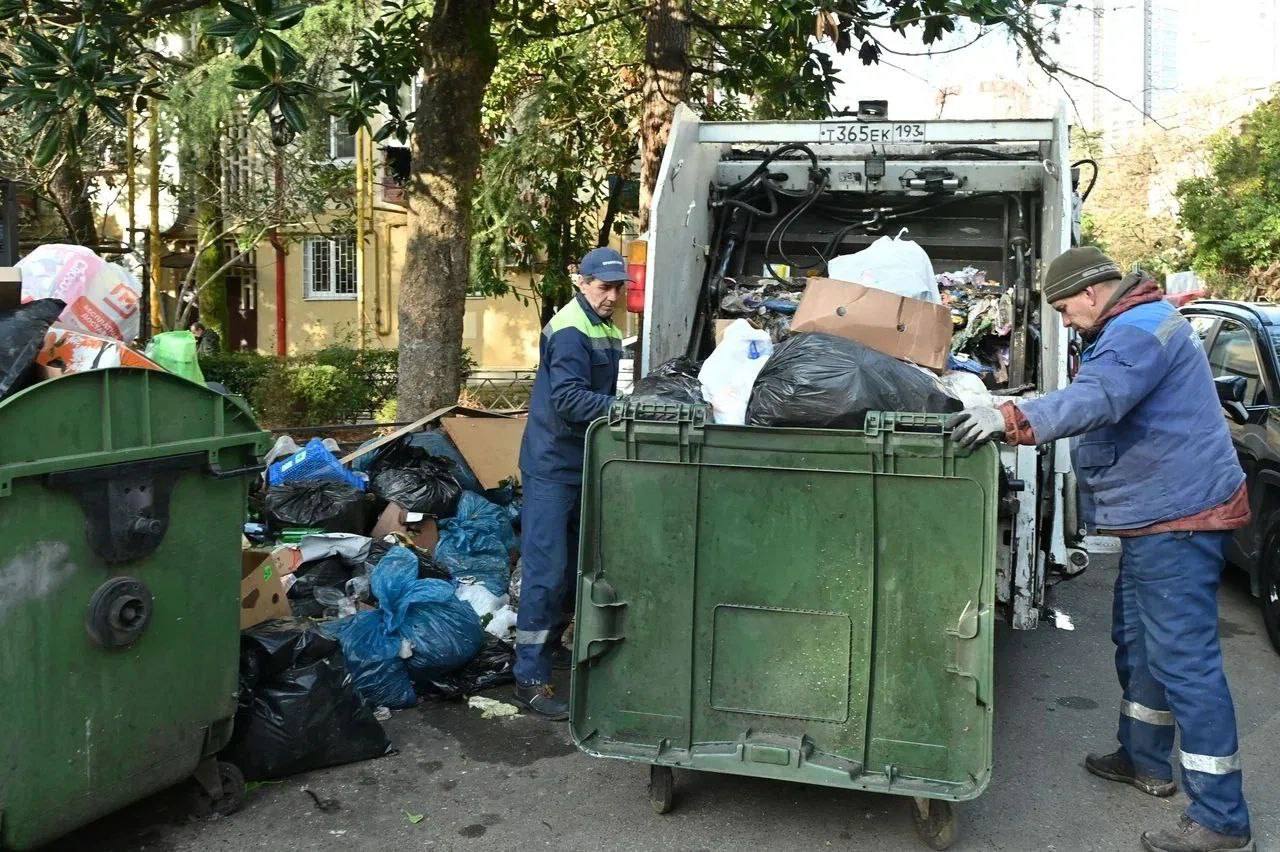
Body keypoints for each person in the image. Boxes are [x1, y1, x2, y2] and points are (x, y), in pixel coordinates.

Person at [950, 246, 1254, 852]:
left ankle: (1221, 817)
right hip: (1157, 518)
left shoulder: (1135, 333)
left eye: (1065, 308)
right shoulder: (1138, 321)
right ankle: (1144, 759)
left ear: (1091, 292)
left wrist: (1007, 417)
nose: (1064, 319)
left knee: (1184, 663)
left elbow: (1096, 399)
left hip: (1179, 520)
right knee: (1139, 644)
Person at [512, 247, 627, 719]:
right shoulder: (569, 330)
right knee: (546, 569)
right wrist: (624, 408)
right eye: (604, 287)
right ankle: (530, 679)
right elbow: (570, 401)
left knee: (577, 563)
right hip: (552, 466)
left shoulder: (609, 328)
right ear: (582, 283)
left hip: (582, 463)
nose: (612, 296)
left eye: (619, 288)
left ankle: (553, 647)